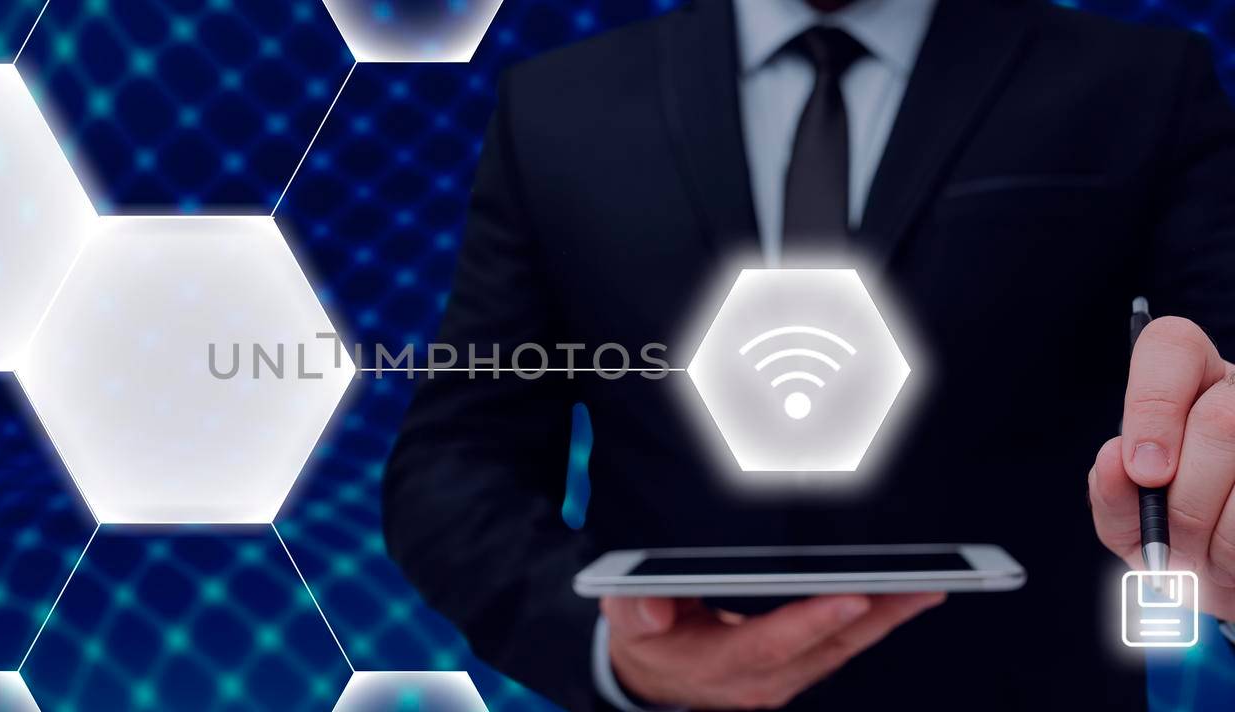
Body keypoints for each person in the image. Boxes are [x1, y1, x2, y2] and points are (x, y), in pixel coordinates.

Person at [382, 0, 1235, 709]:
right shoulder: (560, 108)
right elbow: (455, 460)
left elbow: (1218, 393)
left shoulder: (1138, 86)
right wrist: (615, 650)